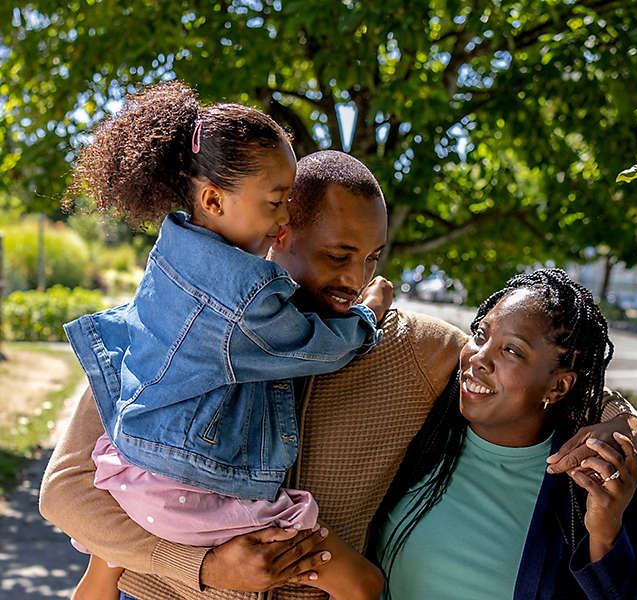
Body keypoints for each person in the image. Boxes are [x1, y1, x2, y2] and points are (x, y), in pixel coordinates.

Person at [40, 150, 637, 600]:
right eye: (338, 256)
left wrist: (624, 427)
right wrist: (201, 566)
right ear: (278, 235)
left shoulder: (410, 347)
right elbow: (65, 493)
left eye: (372, 258)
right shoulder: (169, 329)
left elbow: (544, 374)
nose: (357, 281)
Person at [60, 83, 394, 600]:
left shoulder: (172, 254)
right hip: (194, 491)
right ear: (214, 198)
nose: (282, 222)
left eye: (372, 259)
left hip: (134, 476)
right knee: (363, 584)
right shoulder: (244, 301)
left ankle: (104, 564)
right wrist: (368, 316)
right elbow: (313, 344)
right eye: (277, 205)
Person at [375, 268, 637, 599]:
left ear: (559, 385)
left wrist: (605, 534)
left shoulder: (589, 484)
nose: (479, 358)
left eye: (512, 351)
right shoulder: (423, 422)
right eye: (480, 334)